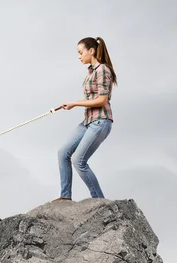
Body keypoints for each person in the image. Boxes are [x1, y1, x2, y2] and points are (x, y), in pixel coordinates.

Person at [52, 36, 118, 202]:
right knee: (62, 152)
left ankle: (99, 201)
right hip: (88, 121)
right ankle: (65, 196)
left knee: (78, 160)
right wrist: (72, 104)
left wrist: (75, 103)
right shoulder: (90, 73)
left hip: (101, 121)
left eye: (81, 52)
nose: (79, 56)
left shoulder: (103, 70)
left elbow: (102, 100)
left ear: (91, 51)